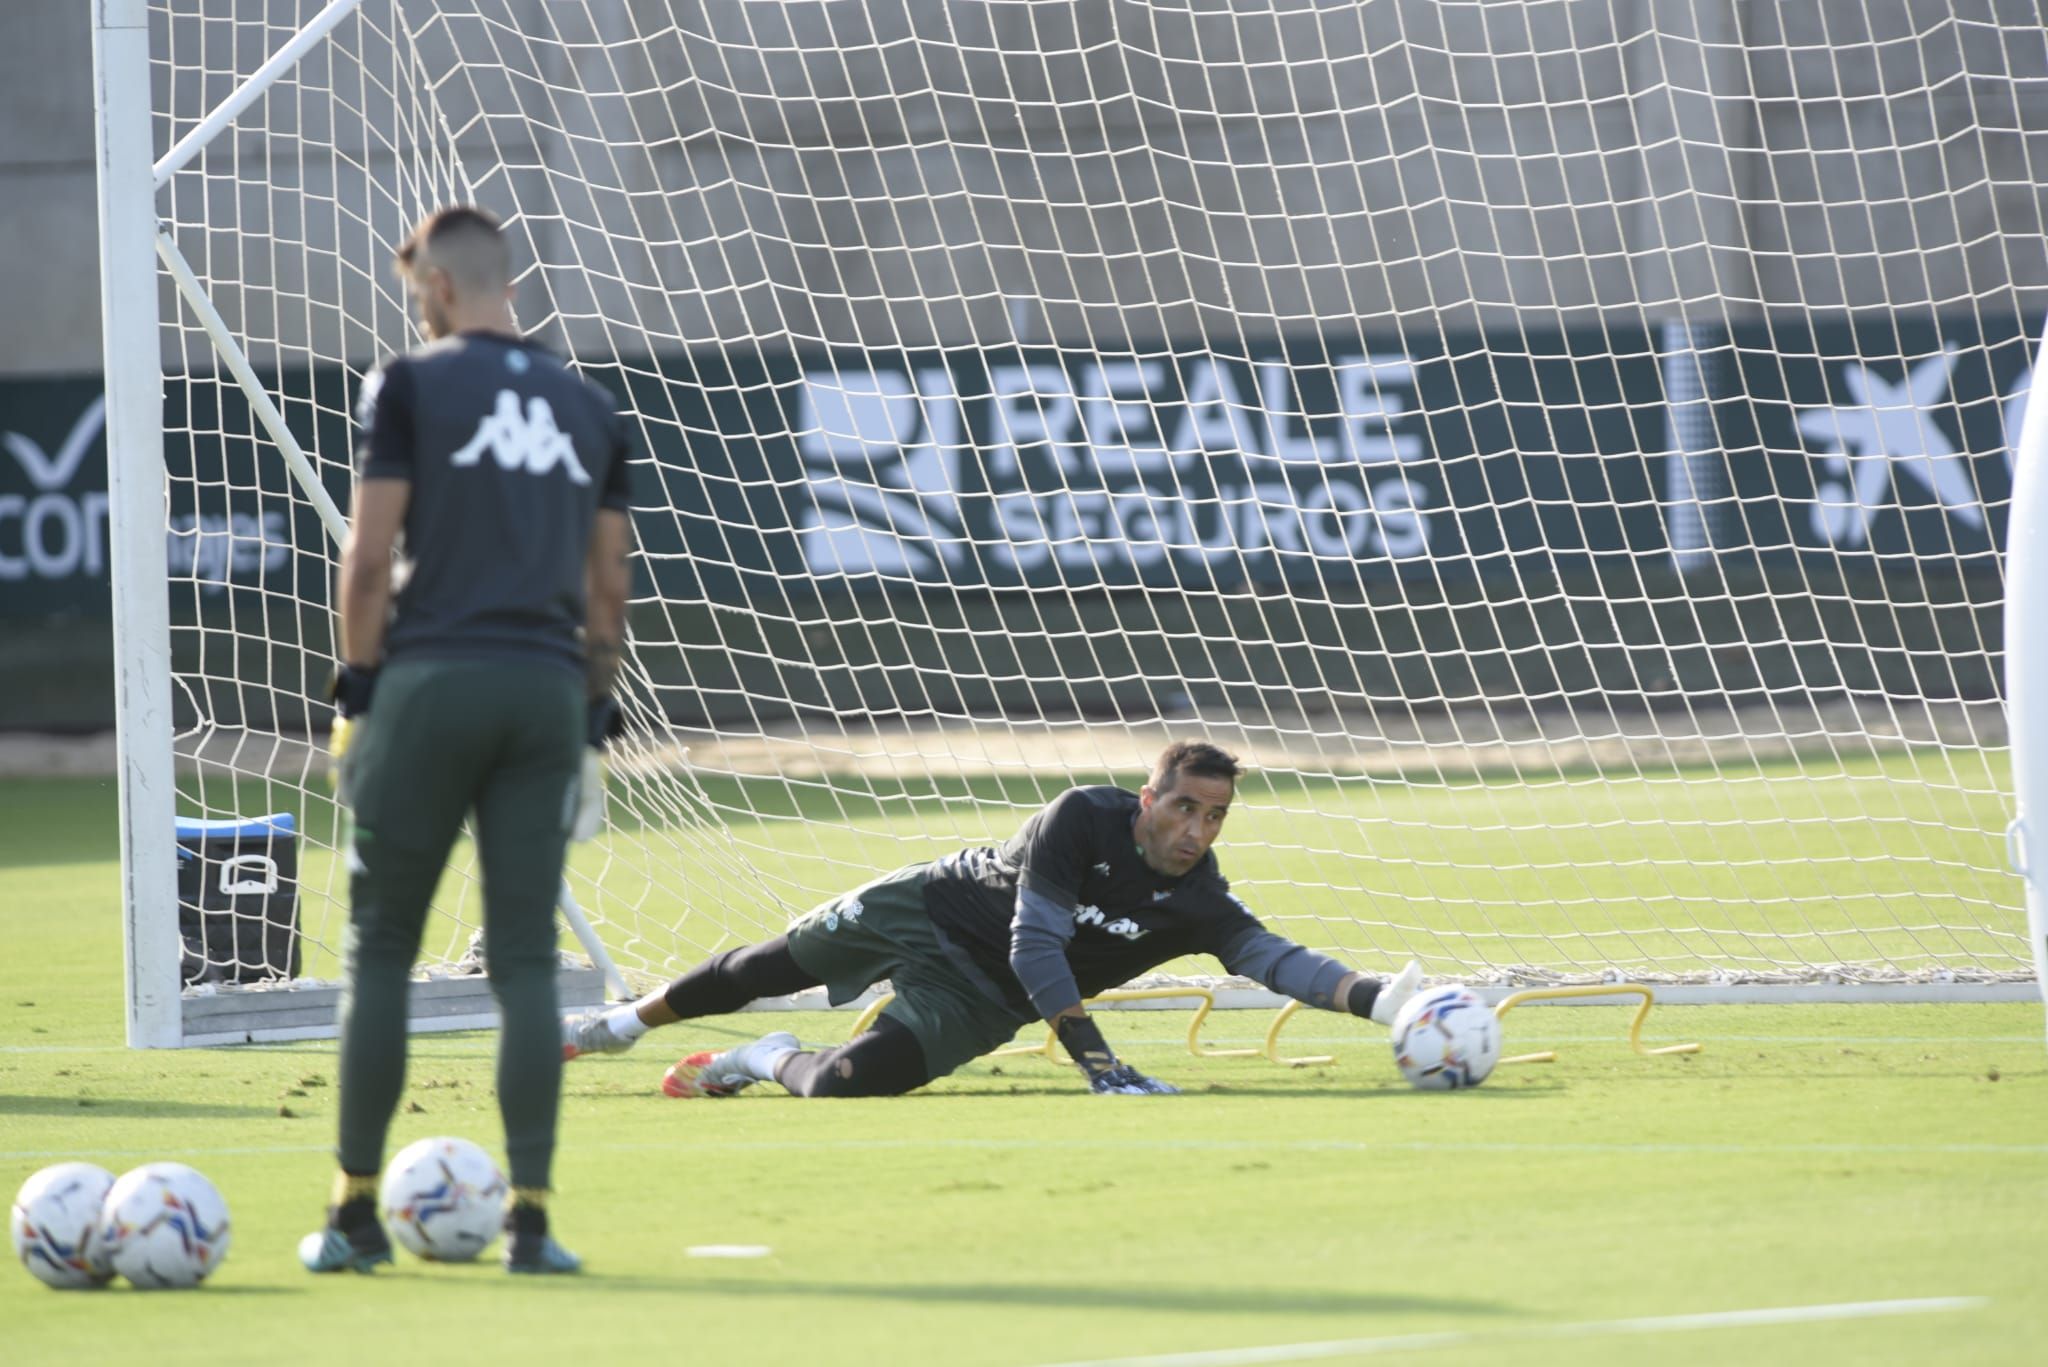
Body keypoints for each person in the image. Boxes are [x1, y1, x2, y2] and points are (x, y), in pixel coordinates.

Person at [301, 205, 634, 1275]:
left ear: (438, 285)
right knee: (528, 960)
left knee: (381, 950)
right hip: (545, 695)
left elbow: (366, 559)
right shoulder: (589, 405)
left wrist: (357, 689)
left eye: (414, 293)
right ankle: (530, 1223)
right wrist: (591, 709)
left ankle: (353, 1214)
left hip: (432, 682)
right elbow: (608, 589)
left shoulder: (408, 382)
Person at [562, 741, 1422, 1098]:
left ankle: (755, 1057)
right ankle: (619, 1024)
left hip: (981, 995)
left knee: (842, 1086)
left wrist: (1388, 1003)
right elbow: (1036, 938)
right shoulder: (1083, 814)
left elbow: (1278, 959)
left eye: (1216, 817)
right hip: (930, 905)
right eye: (1186, 808)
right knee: (765, 968)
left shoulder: (1197, 899)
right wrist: (1098, 1062)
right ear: (1148, 799)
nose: (1197, 830)